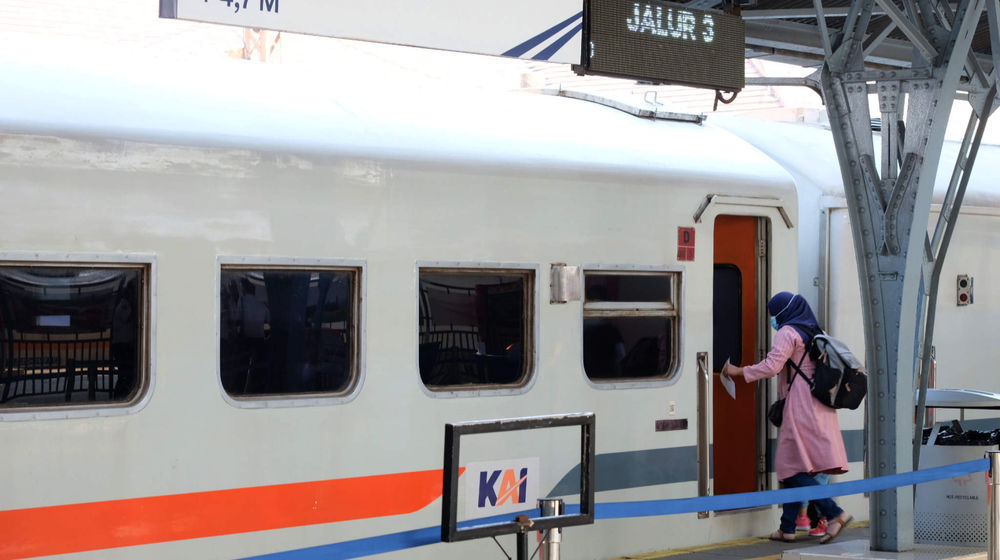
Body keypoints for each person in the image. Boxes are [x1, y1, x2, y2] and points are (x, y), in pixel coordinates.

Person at [721, 292, 853, 544]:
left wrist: (738, 371)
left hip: (801, 403)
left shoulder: (788, 332)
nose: (773, 320)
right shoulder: (815, 329)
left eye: (774, 314)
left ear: (783, 313)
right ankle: (787, 528)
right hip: (820, 402)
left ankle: (835, 513)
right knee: (798, 466)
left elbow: (772, 366)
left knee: (790, 466)